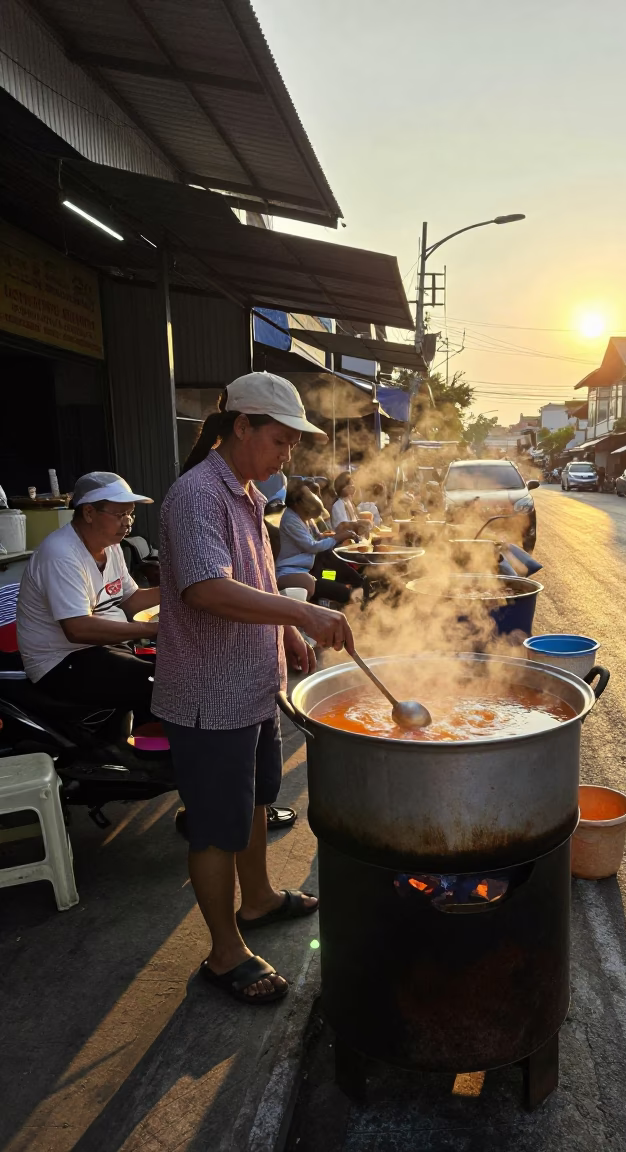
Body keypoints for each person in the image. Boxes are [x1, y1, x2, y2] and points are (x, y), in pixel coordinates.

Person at [152, 371, 354, 1006]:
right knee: (216, 827)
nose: (287, 455)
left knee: (259, 800)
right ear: (241, 426)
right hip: (208, 698)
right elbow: (205, 589)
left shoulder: (245, 494)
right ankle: (223, 953)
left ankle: (259, 899)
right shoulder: (196, 495)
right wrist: (302, 613)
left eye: (293, 443)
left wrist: (284, 633)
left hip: (253, 686)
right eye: (280, 440)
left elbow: (256, 583)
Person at [16, 471, 160, 725]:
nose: (127, 523)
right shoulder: (61, 554)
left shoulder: (112, 547)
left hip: (101, 650)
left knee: (176, 665)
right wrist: (155, 629)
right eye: (120, 514)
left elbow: (131, 599)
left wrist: (184, 592)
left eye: (130, 514)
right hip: (60, 662)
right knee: (163, 682)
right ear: (89, 513)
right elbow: (78, 629)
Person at [276, 479, 364, 604]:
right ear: (296, 504)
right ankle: (346, 593)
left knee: (331, 561)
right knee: (338, 588)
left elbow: (317, 537)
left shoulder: (304, 516)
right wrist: (338, 537)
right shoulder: (290, 520)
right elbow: (312, 546)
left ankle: (356, 582)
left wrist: (339, 535)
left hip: (314, 566)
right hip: (295, 571)